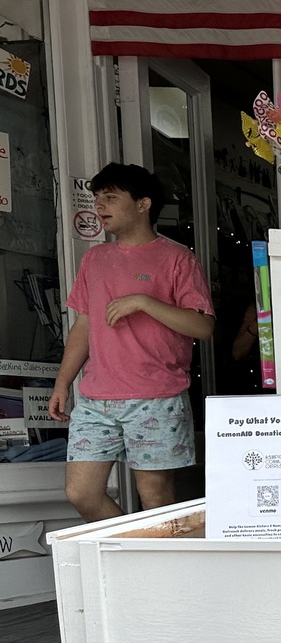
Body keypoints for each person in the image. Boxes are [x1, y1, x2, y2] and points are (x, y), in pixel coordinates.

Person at [47, 163, 215, 520]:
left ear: (143, 204)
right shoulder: (95, 258)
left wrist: (143, 302)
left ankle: (163, 572)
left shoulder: (177, 258)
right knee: (81, 492)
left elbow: (203, 327)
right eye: (97, 198)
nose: (100, 206)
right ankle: (133, 557)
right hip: (95, 398)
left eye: (110, 197)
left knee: (155, 498)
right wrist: (62, 383)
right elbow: (83, 327)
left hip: (157, 397)